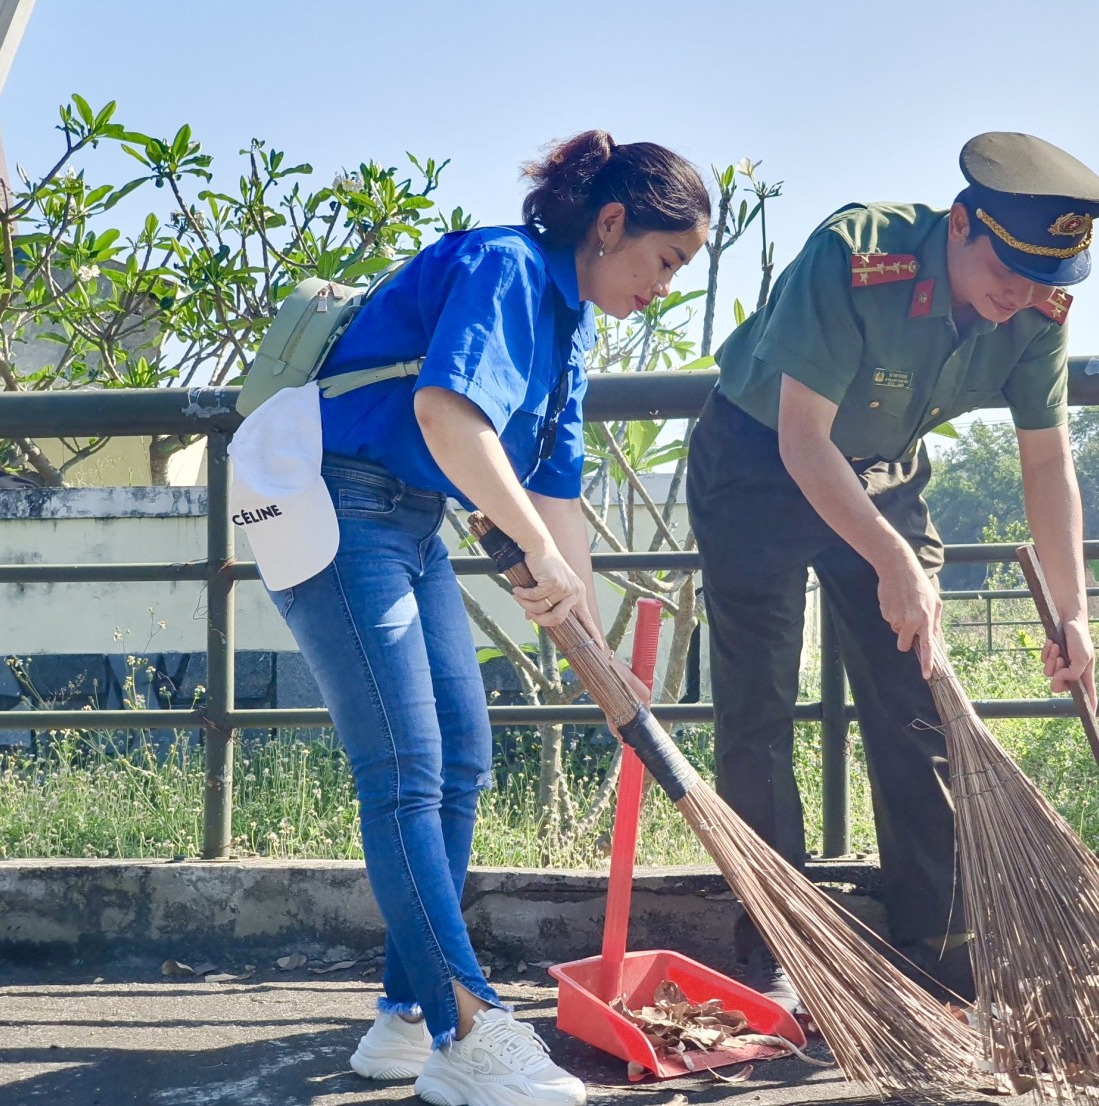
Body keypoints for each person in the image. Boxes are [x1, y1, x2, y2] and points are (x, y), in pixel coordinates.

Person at [246, 131, 709, 1106]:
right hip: (335, 500)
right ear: (612, 222)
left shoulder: (572, 324)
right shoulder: (504, 265)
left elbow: (556, 495)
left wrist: (600, 655)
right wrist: (531, 551)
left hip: (408, 521)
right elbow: (447, 414)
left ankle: (405, 1017)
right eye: (666, 260)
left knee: (462, 757)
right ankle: (467, 1025)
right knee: (406, 770)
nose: (664, 285)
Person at [687, 131, 1099, 1005]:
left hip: (881, 473)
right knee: (759, 708)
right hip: (758, 463)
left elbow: (1047, 463)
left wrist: (1071, 612)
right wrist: (892, 560)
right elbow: (801, 438)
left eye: (1050, 279)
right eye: (1012, 268)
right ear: (961, 224)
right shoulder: (855, 256)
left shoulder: (1036, 311)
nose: (1027, 295)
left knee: (918, 697)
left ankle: (942, 947)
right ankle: (782, 945)